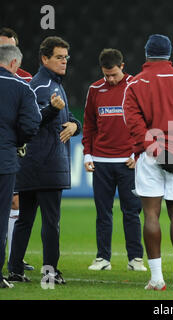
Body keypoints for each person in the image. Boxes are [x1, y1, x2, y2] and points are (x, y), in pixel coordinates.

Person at [122, 34, 173, 290]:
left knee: (151, 215)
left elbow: (133, 123)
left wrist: (157, 150)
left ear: (147, 54)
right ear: (170, 54)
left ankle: (157, 279)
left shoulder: (135, 83)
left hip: (149, 157)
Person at [8, 36, 81, 285]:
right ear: (44, 58)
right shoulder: (41, 86)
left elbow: (68, 117)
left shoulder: (53, 84)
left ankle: (15, 268)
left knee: (26, 219)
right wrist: (52, 110)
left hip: (35, 163)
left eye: (66, 57)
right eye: (59, 57)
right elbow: (31, 121)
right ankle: (50, 272)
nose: (64, 62)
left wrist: (75, 125)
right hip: (46, 163)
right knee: (51, 221)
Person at [82, 48, 146, 272]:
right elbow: (89, 124)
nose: (109, 79)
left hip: (128, 162)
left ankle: (135, 258)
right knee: (103, 212)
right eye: (106, 75)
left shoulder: (135, 86)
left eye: (114, 75)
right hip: (100, 161)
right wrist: (87, 154)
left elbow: (146, 121)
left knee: (131, 212)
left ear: (123, 66)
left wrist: (137, 153)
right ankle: (103, 258)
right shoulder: (95, 89)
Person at [0, 45, 41, 288]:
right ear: (15, 63)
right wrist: (18, 141)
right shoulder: (21, 87)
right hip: (4, 160)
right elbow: (31, 124)